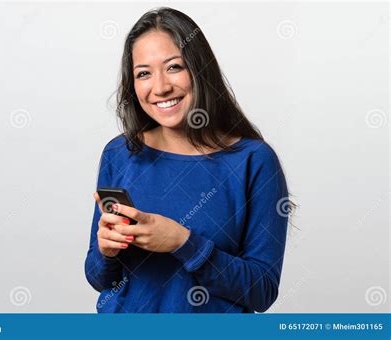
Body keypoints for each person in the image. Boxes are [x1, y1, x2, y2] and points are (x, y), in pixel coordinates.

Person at [84, 7, 292, 313]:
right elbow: (98, 277)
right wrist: (106, 250)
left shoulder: (254, 161)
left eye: (174, 67)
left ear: (199, 69)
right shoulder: (120, 153)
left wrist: (182, 242)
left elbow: (261, 291)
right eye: (143, 73)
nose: (160, 87)